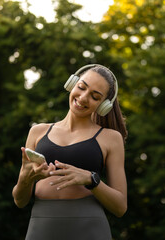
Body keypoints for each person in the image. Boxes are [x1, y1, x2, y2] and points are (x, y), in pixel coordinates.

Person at [12, 64, 128, 240]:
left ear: (103, 105)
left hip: (90, 228)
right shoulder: (37, 132)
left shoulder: (111, 138)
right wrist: (25, 180)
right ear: (72, 84)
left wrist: (91, 179)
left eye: (95, 97)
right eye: (81, 87)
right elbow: (19, 200)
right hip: (41, 228)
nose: (83, 98)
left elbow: (120, 207)